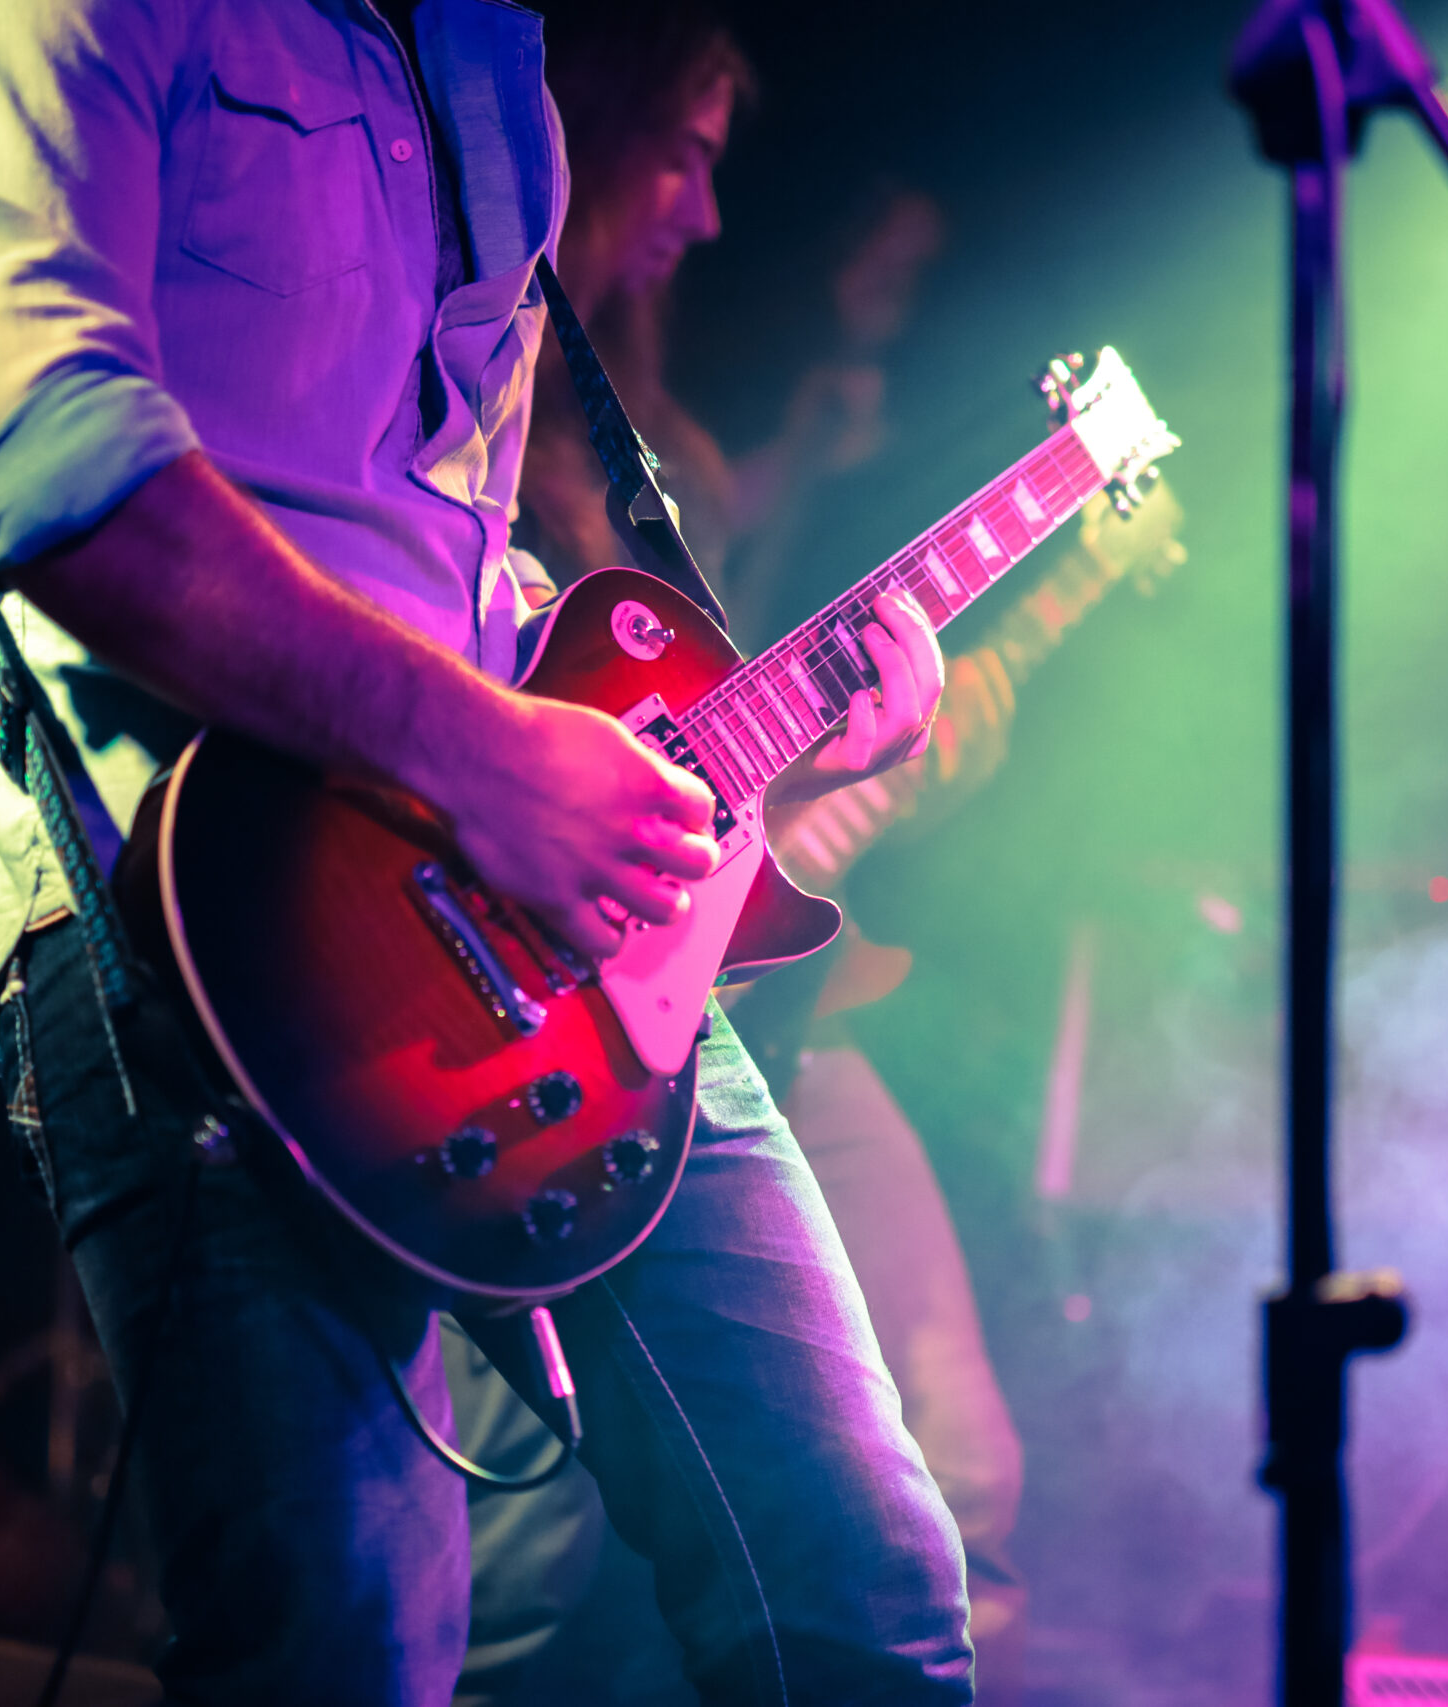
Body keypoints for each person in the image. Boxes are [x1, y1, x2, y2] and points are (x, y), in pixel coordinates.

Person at [0, 2, 971, 1702]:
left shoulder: (483, 48)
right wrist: (488, 757)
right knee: (346, 1656)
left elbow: (445, 552)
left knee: (859, 1578)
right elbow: (44, 473)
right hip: (191, 935)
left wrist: (750, 727)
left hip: (535, 934)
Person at [450, 7, 1029, 1704]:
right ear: (586, 128)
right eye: (687, 149)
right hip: (523, 1008)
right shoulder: (479, 424)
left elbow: (706, 731)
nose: (705, 207)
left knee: (919, 1524)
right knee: (539, 1586)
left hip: (710, 984)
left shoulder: (654, 451)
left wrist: (856, 736)